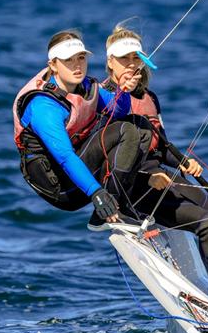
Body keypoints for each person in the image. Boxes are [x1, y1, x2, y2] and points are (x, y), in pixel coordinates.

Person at [102, 25, 208, 311]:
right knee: (207, 225)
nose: (132, 65)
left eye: (136, 58)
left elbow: (161, 145)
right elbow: (108, 155)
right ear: (110, 63)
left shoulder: (150, 98)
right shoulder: (105, 98)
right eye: (124, 59)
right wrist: (148, 175)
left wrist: (183, 163)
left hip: (163, 178)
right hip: (136, 189)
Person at [12, 30, 152, 227]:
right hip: (60, 188)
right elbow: (65, 157)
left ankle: (120, 205)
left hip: (80, 174)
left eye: (81, 58)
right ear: (53, 65)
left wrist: (123, 89)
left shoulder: (86, 87)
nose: (77, 65)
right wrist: (97, 193)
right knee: (125, 131)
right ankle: (107, 211)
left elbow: (118, 111)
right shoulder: (43, 106)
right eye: (68, 60)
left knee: (140, 126)